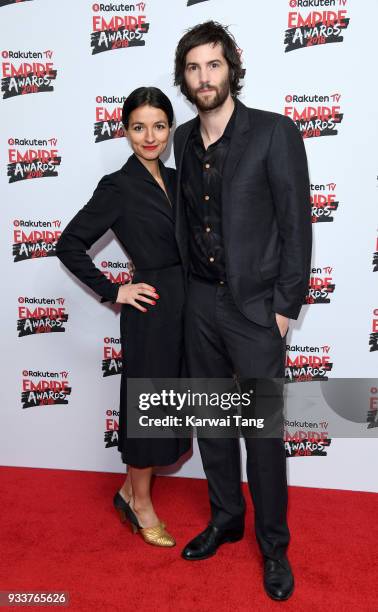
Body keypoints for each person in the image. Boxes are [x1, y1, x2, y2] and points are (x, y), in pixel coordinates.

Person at [173, 22, 312, 600]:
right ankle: (227, 518)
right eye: (193, 68)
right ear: (184, 77)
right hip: (200, 302)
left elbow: (296, 225)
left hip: (255, 310)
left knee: (262, 436)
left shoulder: (275, 133)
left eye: (213, 65)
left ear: (232, 67)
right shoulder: (181, 138)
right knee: (212, 423)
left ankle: (274, 547)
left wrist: (284, 307)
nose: (205, 78)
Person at [56, 87, 190, 547]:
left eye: (158, 126)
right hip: (150, 311)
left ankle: (129, 489)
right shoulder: (117, 186)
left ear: (170, 129)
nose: (149, 136)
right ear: (125, 131)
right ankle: (140, 502)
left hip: (186, 308)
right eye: (138, 127)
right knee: (148, 410)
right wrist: (115, 290)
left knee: (172, 406)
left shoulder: (178, 179)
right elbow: (68, 244)